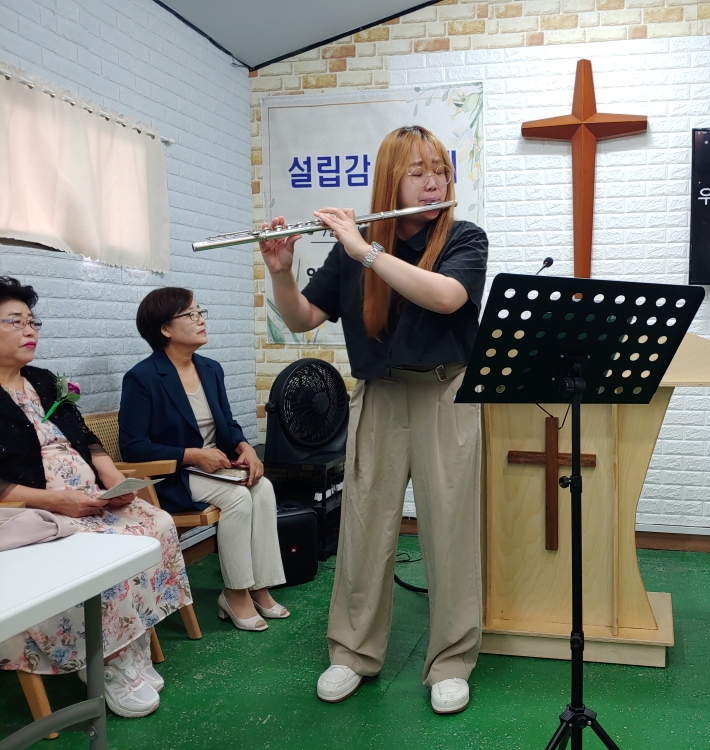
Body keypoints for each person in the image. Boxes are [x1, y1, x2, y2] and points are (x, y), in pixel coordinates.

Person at [260, 125, 487, 715]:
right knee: (363, 528)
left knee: (451, 531)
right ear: (390, 179)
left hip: (445, 394)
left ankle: (451, 661)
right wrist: (281, 271)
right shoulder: (354, 247)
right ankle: (353, 653)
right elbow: (304, 318)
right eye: (418, 171)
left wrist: (366, 251)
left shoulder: (463, 237)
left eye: (440, 169)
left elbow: (446, 297)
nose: (433, 180)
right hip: (380, 397)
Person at [0, 276, 190, 719]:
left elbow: (85, 438)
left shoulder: (43, 381)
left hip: (89, 499)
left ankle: (131, 645)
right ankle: (105, 661)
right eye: (15, 321)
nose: (30, 330)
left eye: (32, 321)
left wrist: (113, 482)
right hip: (37, 514)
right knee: (112, 552)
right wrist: (56, 501)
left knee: (156, 524)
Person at [119, 288, 288, 632]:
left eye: (200, 312)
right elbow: (133, 447)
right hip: (175, 477)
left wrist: (244, 446)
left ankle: (260, 586)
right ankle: (235, 593)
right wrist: (191, 455)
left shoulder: (211, 369)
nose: (201, 320)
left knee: (264, 488)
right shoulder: (143, 378)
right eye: (191, 315)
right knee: (239, 497)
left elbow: (227, 423)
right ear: (165, 329)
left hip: (216, 471)